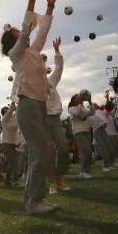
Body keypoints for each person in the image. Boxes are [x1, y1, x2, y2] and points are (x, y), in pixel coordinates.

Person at [0, 0, 61, 214]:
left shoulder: (33, 53)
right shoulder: (16, 55)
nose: (21, 31)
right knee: (40, 152)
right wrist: (31, 0)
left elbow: (42, 31)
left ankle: (36, 198)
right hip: (27, 106)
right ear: (13, 41)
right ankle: (33, 202)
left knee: (46, 151)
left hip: (39, 105)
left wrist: (50, 8)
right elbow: (27, 31)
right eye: (17, 32)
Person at [43, 38, 71, 191]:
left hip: (54, 119)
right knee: (48, 151)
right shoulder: (30, 84)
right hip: (41, 120)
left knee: (63, 148)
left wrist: (57, 50)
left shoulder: (51, 80)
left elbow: (59, 67)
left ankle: (59, 176)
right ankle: (53, 182)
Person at [67, 94, 94, 179]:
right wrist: (80, 105)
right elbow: (77, 114)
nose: (80, 99)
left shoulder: (82, 107)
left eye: (80, 98)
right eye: (77, 98)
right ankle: (84, 171)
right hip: (78, 132)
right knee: (85, 151)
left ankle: (86, 171)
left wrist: (90, 101)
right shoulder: (71, 109)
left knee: (88, 152)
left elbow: (92, 113)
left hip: (86, 131)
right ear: (73, 100)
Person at [0, 104, 20, 187]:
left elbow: (18, 115)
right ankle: (13, 180)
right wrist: (14, 101)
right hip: (6, 144)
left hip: (13, 145)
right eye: (6, 110)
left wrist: (18, 107)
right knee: (13, 162)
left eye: (7, 109)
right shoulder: (4, 119)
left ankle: (7, 180)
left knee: (12, 163)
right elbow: (11, 110)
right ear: (4, 113)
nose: (8, 110)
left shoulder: (14, 119)